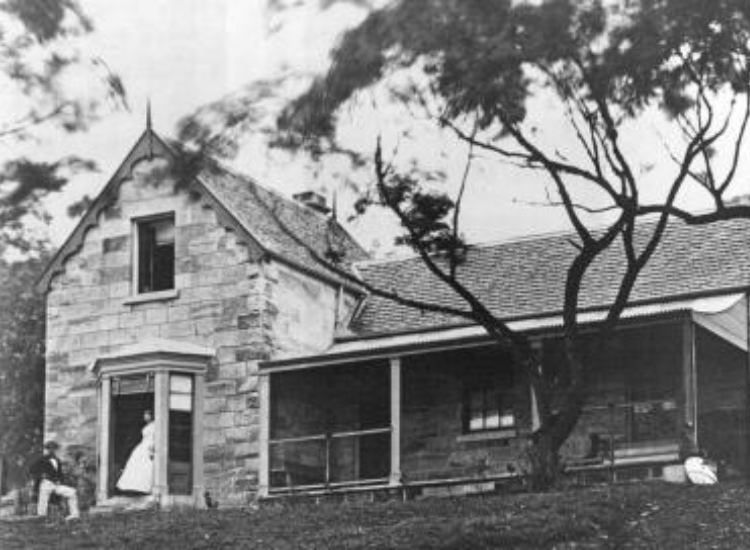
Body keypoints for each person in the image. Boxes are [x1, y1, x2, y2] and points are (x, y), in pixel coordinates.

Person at [30, 440, 80, 520]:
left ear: (55, 449)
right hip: (46, 483)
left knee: (72, 492)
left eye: (53, 448)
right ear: (47, 449)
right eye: (50, 448)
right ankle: (41, 516)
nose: (52, 450)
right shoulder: (42, 459)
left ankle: (74, 514)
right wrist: (41, 475)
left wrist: (60, 481)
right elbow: (32, 469)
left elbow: (60, 474)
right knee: (43, 498)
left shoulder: (57, 460)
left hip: (56, 485)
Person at [116, 409, 155, 494]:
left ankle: (145, 488)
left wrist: (152, 449)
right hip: (143, 445)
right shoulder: (146, 426)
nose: (145, 417)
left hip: (149, 446)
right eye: (145, 415)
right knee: (135, 463)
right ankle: (133, 487)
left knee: (146, 465)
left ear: (152, 415)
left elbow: (154, 437)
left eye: (147, 415)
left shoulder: (154, 425)